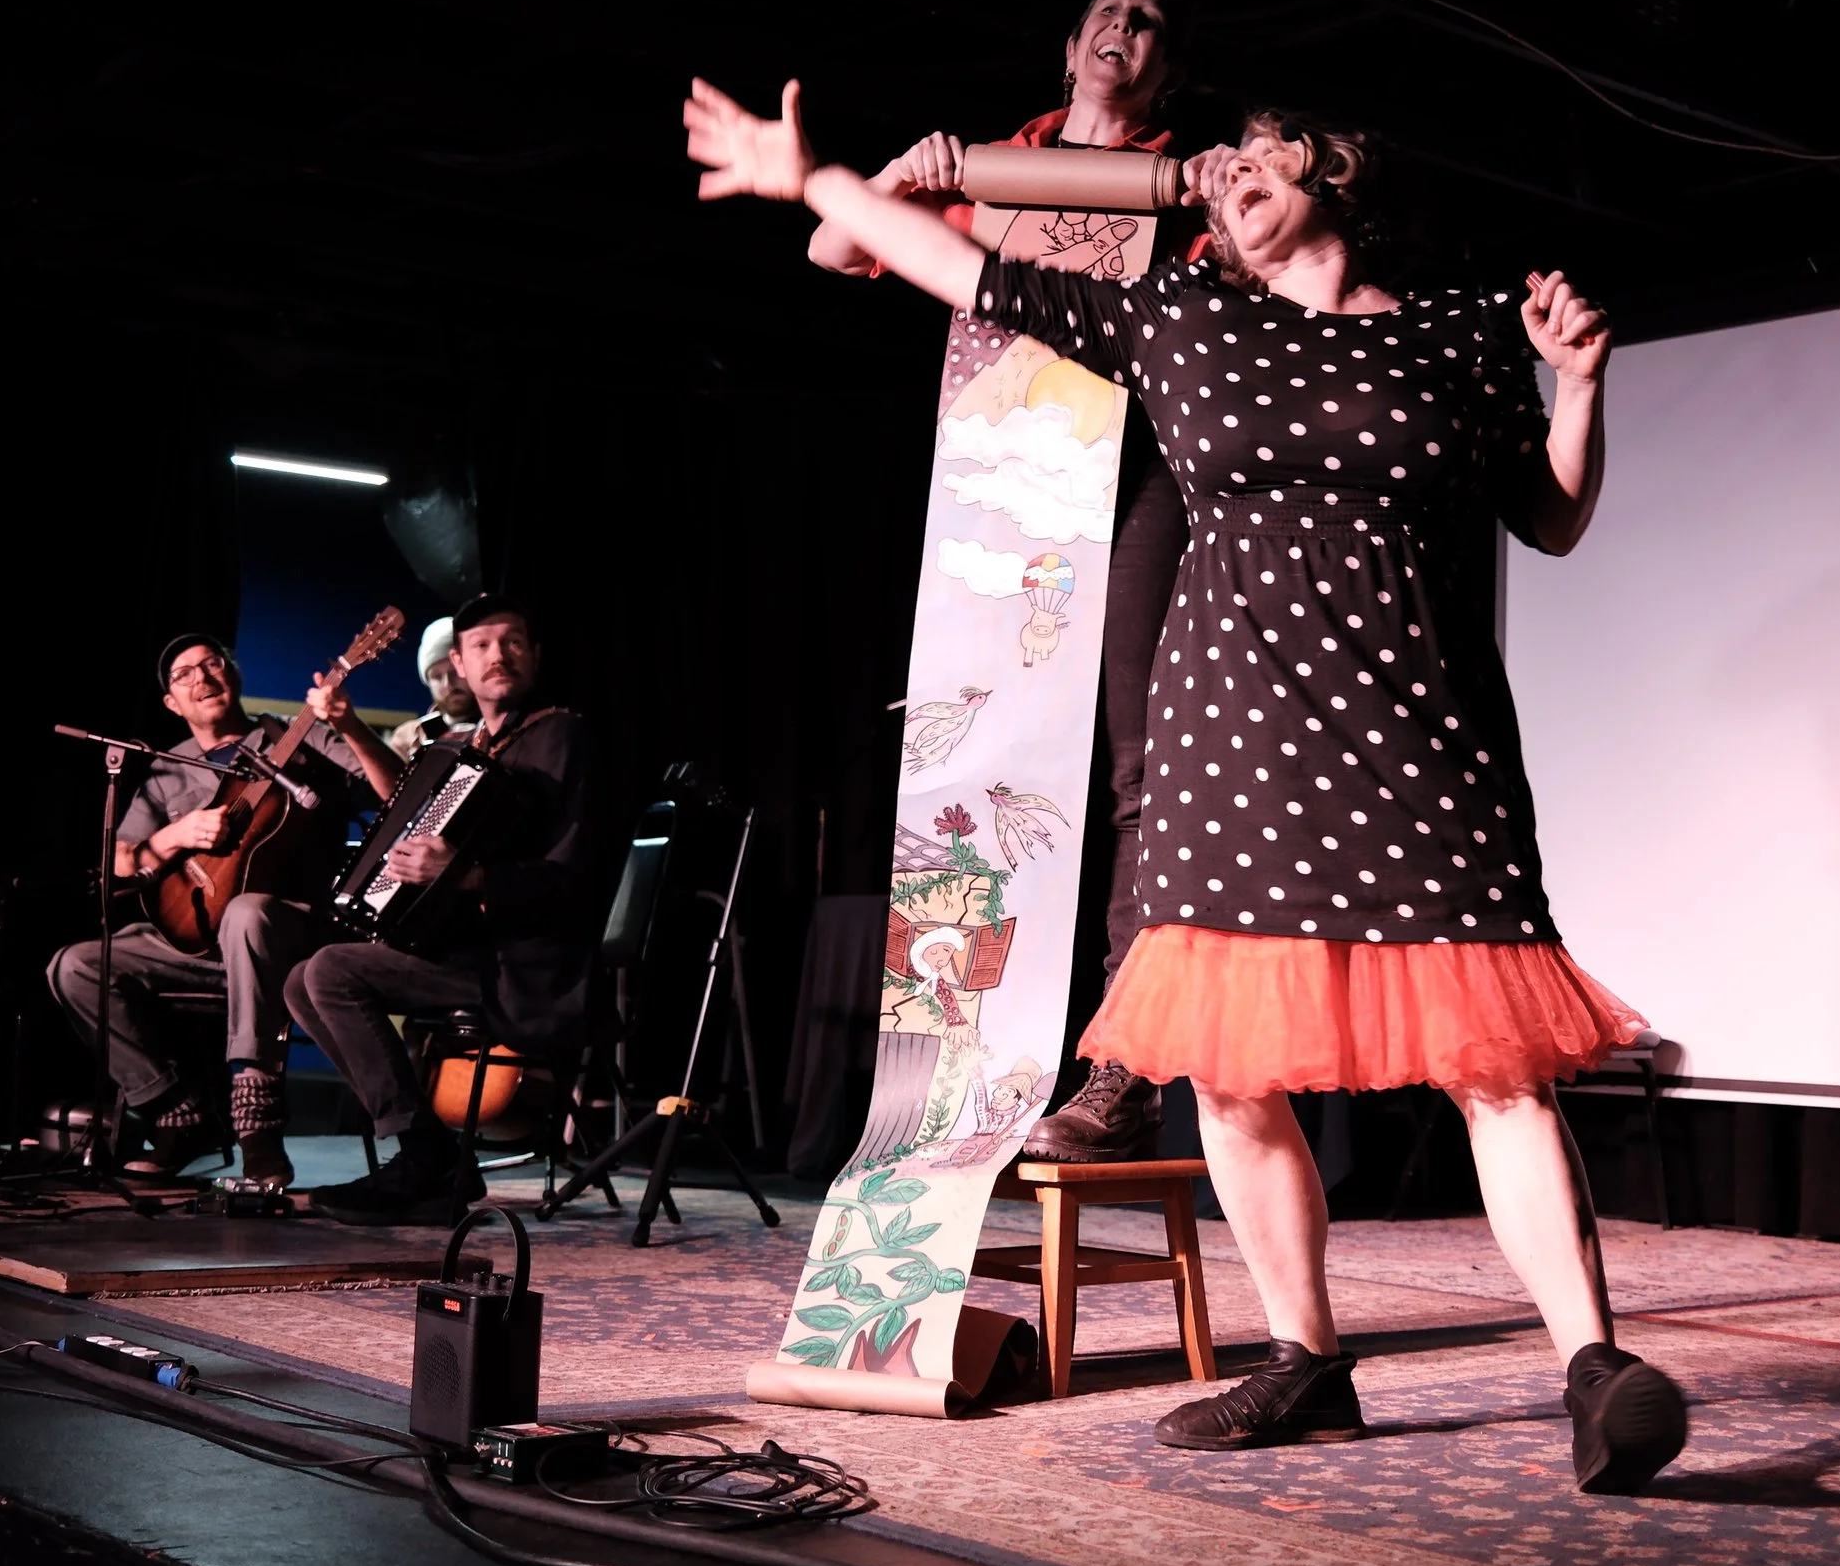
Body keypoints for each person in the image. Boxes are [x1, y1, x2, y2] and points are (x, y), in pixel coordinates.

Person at [685, 81, 1688, 1492]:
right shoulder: (1186, 318)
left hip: (1423, 731)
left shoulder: (1461, 330)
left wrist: (1578, 385)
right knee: (1232, 1064)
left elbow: (1552, 516)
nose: (1229, 184)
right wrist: (814, 182)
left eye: (1259, 163)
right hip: (1234, 740)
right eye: (1216, 181)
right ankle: (1306, 1357)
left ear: (1331, 169)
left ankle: (1595, 1363)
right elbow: (966, 268)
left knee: (1497, 1065)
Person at [807, 0, 1200, 1164]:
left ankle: (1121, 1072)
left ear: (1164, 64)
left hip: (1127, 479)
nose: (1125, 34)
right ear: (1069, 40)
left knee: (1138, 765)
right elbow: (834, 245)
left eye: (1150, 23)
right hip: (1001, 486)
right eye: (1109, 15)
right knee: (968, 756)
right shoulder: (989, 167)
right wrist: (899, 179)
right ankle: (950, 1058)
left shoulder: (1178, 184)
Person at [291, 595, 602, 1225]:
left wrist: (462, 873)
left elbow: (577, 880)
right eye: (482, 646)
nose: (498, 655)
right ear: (458, 664)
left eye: (512, 642)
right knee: (300, 981)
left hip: (525, 966)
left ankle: (424, 1159)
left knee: (330, 972)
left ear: (535, 656)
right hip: (466, 951)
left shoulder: (560, 736)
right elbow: (404, 804)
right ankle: (432, 1155)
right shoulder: (468, 744)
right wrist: (349, 727)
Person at [47, 635, 400, 1184]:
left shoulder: (299, 737)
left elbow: (399, 796)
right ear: (171, 702)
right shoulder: (169, 769)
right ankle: (176, 1113)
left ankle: (257, 1123)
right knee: (75, 965)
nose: (203, 678)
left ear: (233, 675)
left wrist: (350, 725)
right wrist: (176, 834)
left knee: (246, 912)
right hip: (194, 946)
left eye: (212, 664)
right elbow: (120, 858)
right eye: (185, 674)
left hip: (287, 942)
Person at [387, 614, 481, 763]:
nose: (448, 683)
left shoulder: (497, 725)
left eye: (454, 671)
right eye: (436, 676)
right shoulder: (407, 737)